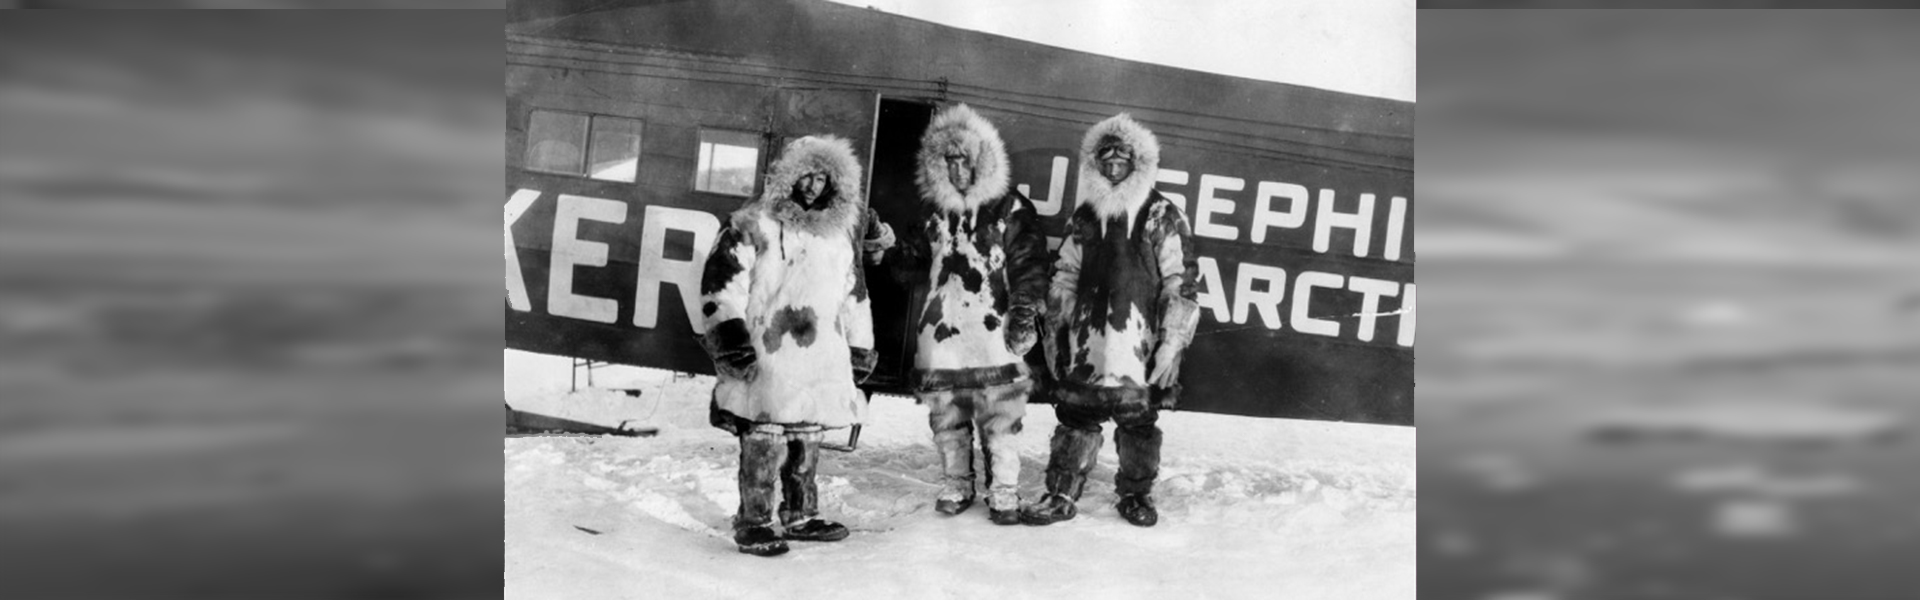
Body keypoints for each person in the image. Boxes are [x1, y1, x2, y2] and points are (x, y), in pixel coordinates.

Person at [697, 135, 883, 556]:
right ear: (789, 174)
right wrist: (730, 339)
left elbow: (854, 294)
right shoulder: (753, 222)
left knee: (806, 440)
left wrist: (859, 347)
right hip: (767, 354)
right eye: (807, 175)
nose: (814, 186)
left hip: (819, 357)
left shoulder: (837, 234)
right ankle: (755, 522)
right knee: (763, 439)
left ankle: (801, 516)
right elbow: (722, 284)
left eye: (823, 177)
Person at [1021, 114, 1199, 528]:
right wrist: (1057, 333)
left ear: (1138, 162)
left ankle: (1137, 495)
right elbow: (1065, 273)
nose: (1114, 164)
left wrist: (1171, 343)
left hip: (1139, 344)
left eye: (1122, 158)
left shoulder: (1161, 214)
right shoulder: (1086, 216)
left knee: (1138, 422)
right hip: (1087, 344)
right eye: (1106, 158)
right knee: (1077, 417)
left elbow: (1181, 282)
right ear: (1095, 163)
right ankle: (1061, 493)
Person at [895, 104, 1049, 525]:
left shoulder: (1010, 208)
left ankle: (1004, 490)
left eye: (965, 159)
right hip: (942, 334)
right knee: (947, 415)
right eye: (949, 159)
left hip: (992, 331)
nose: (958, 168)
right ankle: (957, 483)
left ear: (982, 161)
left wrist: (1023, 311)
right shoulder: (931, 213)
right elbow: (908, 265)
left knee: (1002, 417)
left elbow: (1031, 264)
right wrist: (887, 249)